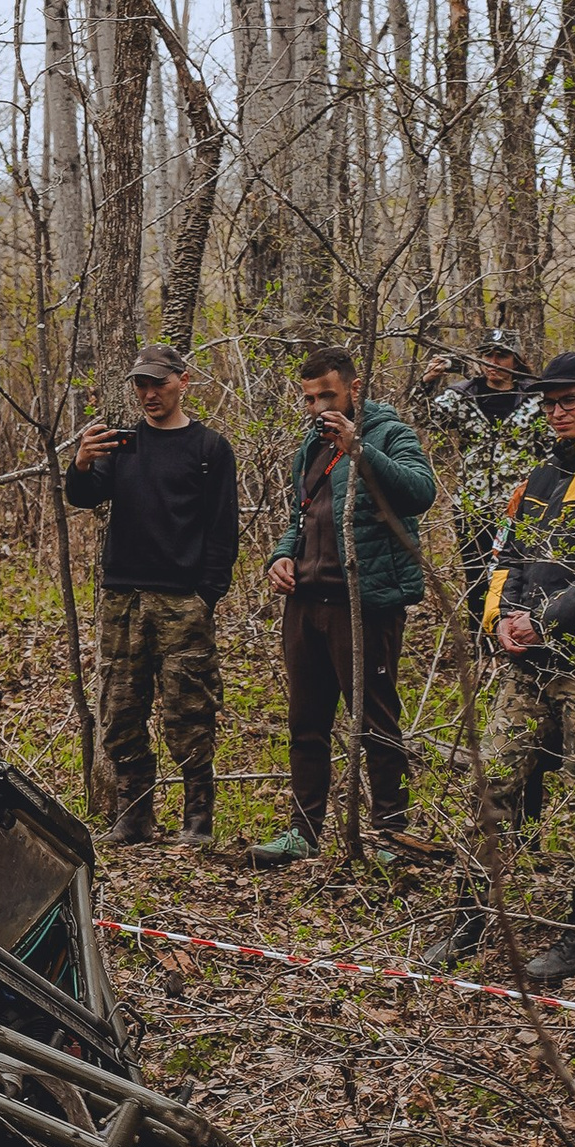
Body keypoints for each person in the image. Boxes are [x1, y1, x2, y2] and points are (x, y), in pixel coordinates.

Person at [424, 350, 575, 989]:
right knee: (496, 783)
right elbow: (504, 557)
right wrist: (501, 616)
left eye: (570, 400)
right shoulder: (538, 475)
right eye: (549, 402)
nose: (557, 412)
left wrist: (549, 620)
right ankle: (472, 914)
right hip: (527, 662)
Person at [256, 344, 438, 863]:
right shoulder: (310, 445)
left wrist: (359, 447)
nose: (317, 409)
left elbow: (419, 492)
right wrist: (282, 556)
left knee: (376, 720)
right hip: (305, 602)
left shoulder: (390, 433)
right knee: (305, 721)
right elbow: (302, 512)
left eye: (327, 396)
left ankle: (388, 835)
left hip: (364, 604)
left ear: (354, 390)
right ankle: (303, 831)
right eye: (309, 398)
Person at [63, 342, 242, 843]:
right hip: (122, 597)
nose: (148, 393)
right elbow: (84, 496)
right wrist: (79, 464)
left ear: (182, 382)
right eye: (141, 384)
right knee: (119, 708)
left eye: (158, 383)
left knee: (188, 707)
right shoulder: (123, 445)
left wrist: (207, 594)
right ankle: (134, 814)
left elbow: (222, 528)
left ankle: (197, 820)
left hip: (182, 600)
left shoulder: (209, 449)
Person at [424, 332, 540, 627]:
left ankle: (512, 635)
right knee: (477, 577)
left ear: (515, 358)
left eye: (501, 355)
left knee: (516, 575)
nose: (493, 362)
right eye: (487, 355)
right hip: (472, 507)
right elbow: (425, 419)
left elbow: (552, 450)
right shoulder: (463, 395)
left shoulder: (536, 398)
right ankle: (481, 644)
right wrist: (428, 382)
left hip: (519, 508)